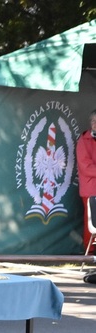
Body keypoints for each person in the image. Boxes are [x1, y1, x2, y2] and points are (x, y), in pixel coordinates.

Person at [76, 109, 96, 255]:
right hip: (91, 189)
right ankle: (90, 254)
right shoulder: (83, 141)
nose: (95, 124)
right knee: (91, 223)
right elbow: (86, 168)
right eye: (93, 121)